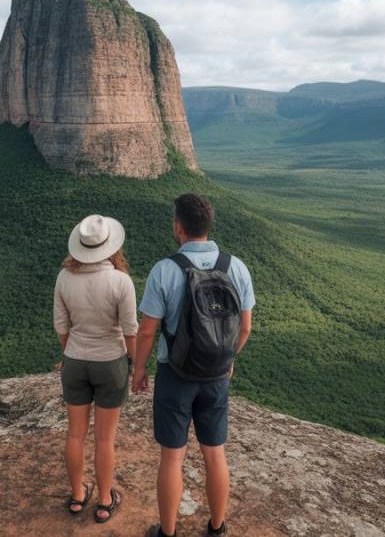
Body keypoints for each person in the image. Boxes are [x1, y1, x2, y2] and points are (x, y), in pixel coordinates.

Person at [132, 193, 255, 537]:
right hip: (217, 374)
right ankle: (217, 527)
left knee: (172, 458)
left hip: (175, 373)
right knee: (215, 453)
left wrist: (139, 371)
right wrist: (228, 359)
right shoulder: (237, 267)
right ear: (208, 225)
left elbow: (146, 331)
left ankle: (167, 532)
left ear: (178, 227)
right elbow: (245, 327)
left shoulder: (164, 270)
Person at [54, 214, 138, 524]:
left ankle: (77, 495)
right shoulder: (120, 281)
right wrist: (133, 363)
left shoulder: (64, 277)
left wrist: (70, 353)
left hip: (75, 361)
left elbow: (61, 326)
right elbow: (131, 330)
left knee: (75, 434)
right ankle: (104, 501)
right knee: (105, 439)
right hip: (110, 363)